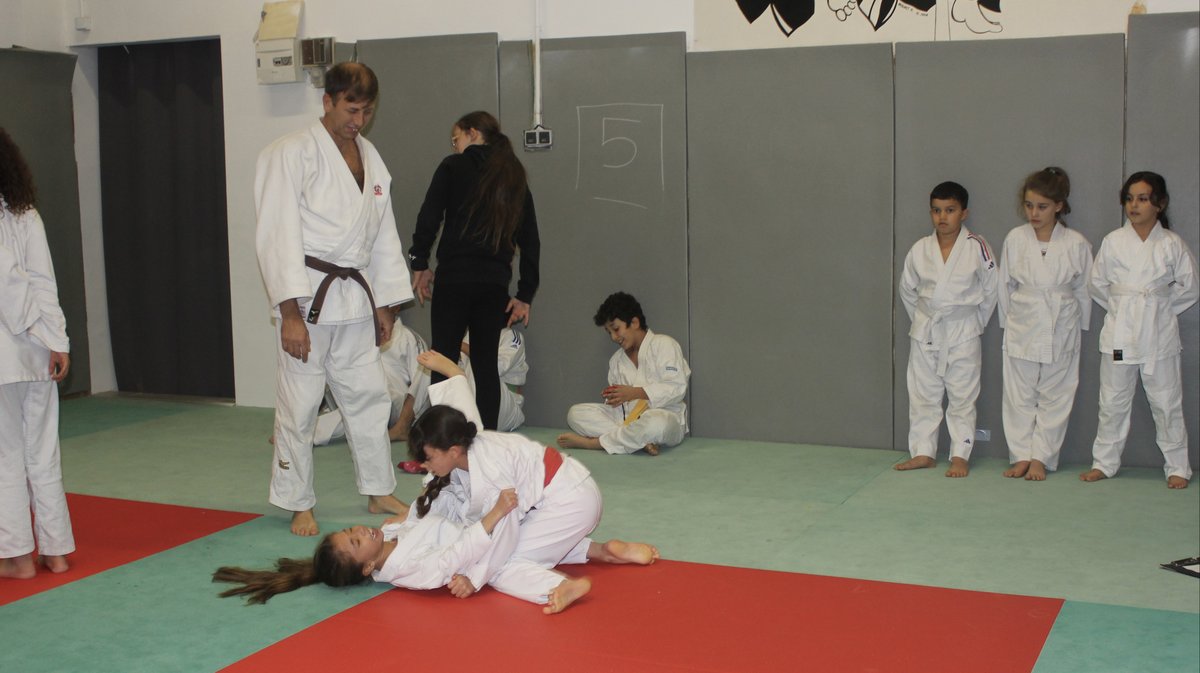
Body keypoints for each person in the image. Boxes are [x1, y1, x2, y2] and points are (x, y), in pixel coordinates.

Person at [255, 62, 413, 537]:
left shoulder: (371, 157)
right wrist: (289, 314)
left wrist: (385, 303)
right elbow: (275, 235)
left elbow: (382, 234)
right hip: (308, 300)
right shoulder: (290, 154)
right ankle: (298, 500)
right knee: (301, 403)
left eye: (366, 111)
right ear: (328, 101)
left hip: (355, 302)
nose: (358, 120)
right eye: (351, 108)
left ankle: (378, 487)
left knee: (367, 396)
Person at [411, 350, 660, 614]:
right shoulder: (465, 437)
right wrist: (451, 370)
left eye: (427, 458)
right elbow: (461, 405)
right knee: (520, 541)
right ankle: (603, 551)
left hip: (568, 504)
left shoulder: (490, 473)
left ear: (451, 451)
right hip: (571, 491)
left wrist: (474, 579)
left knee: (502, 565)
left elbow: (504, 536)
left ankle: (558, 586)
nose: (424, 466)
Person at [409, 111, 540, 431]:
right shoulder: (513, 176)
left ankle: (444, 443)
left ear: (472, 133)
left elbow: (429, 217)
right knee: (484, 367)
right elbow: (531, 240)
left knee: (443, 361)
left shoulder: (453, 166)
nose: (455, 147)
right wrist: (524, 293)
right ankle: (489, 445)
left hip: (454, 279)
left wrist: (420, 263)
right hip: (493, 285)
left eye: (456, 139)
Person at [1081, 171, 1198, 489]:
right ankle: (1104, 463)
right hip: (1120, 333)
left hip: (1158, 334)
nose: (1134, 205)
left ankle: (1177, 466)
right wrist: (1124, 306)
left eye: (1142, 199)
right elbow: (1097, 285)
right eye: (1130, 199)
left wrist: (1158, 308)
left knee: (1166, 402)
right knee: (1112, 401)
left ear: (1159, 204)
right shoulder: (1114, 242)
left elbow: (1189, 288)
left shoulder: (1172, 244)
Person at [212, 488, 520, 604]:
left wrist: (421, 502)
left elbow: (429, 514)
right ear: (368, 567)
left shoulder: (390, 531)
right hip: (505, 551)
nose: (360, 529)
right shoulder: (407, 570)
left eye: (349, 530)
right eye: (356, 540)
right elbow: (456, 555)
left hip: (489, 527)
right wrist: (494, 515)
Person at [0, 127, 75, 579]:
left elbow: (9, 285)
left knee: (6, 454)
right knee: (42, 452)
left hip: (9, 349)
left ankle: (17, 558)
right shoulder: (24, 211)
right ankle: (57, 551)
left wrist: (29, 327)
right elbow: (44, 282)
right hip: (35, 349)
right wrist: (55, 339)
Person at [896, 181, 997, 477]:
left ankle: (960, 454)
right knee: (922, 394)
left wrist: (976, 323)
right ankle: (923, 451)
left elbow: (992, 291)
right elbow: (907, 290)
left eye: (950, 210)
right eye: (937, 211)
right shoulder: (920, 249)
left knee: (963, 395)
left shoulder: (977, 246)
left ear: (964, 213)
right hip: (927, 329)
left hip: (963, 329)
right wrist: (923, 319)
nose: (943, 217)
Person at [997, 168, 1092, 481]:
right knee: (1018, 394)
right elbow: (1005, 285)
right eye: (1028, 205)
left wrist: (1080, 325)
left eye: (1042, 206)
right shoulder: (1015, 238)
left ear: (1059, 206)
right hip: (1022, 319)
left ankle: (1042, 457)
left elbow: (1084, 289)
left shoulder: (1076, 243)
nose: (1033, 213)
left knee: (1057, 393)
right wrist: (1008, 322)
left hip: (1061, 322)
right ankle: (1021, 455)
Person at [557, 292, 690, 456]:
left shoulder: (665, 344)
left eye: (616, 329)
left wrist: (633, 393)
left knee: (656, 424)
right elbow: (619, 409)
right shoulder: (616, 361)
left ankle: (595, 443)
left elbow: (676, 388)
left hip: (665, 416)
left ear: (634, 322)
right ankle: (638, 442)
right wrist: (613, 398)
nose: (613, 337)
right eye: (609, 332)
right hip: (627, 421)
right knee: (575, 414)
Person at [313, 317, 427, 447]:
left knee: (426, 366)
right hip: (358, 395)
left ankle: (402, 427)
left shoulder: (407, 336)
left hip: (394, 400)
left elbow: (421, 376)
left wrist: (406, 418)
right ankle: (300, 432)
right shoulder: (358, 334)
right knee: (350, 408)